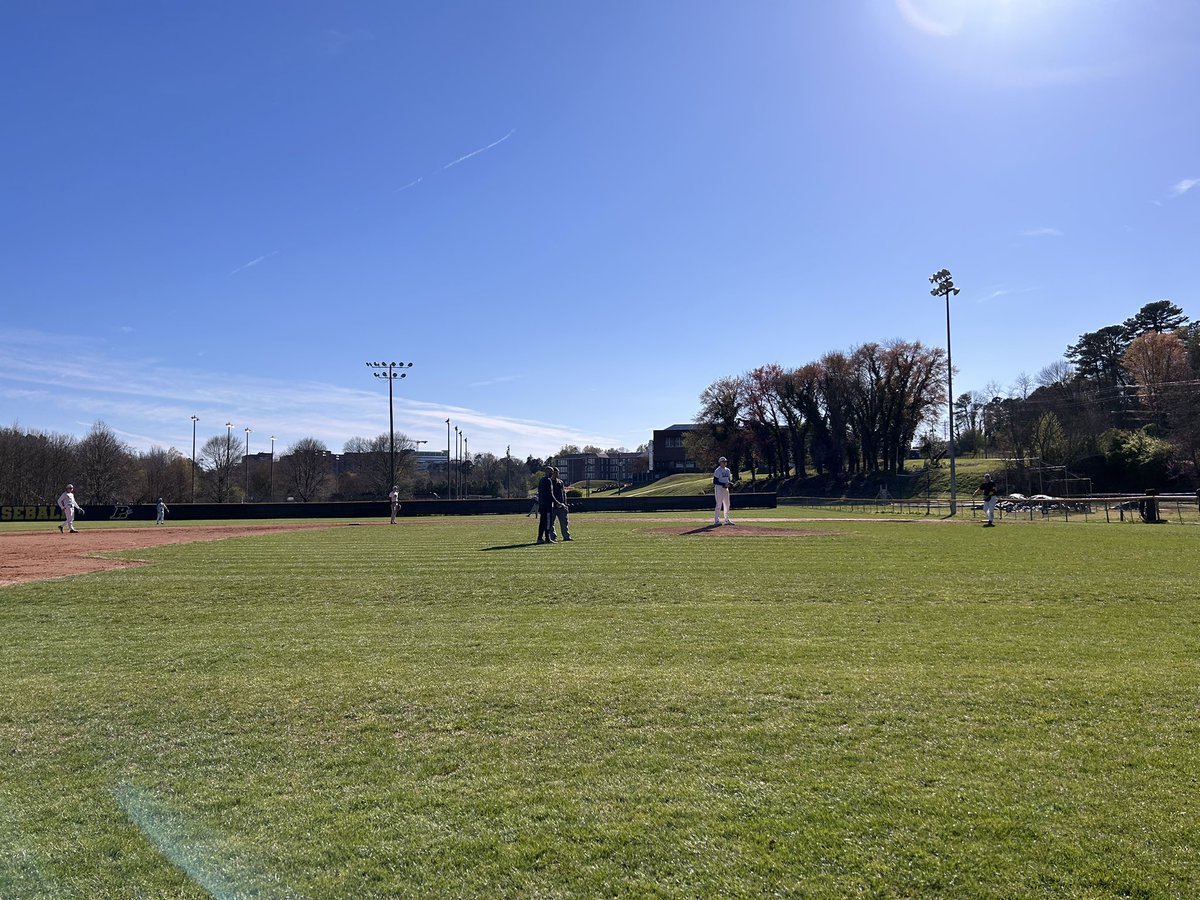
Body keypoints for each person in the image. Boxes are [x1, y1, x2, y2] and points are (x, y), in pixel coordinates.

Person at [550, 466, 572, 541]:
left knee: (564, 523)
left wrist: (565, 504)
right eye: (555, 472)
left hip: (562, 506)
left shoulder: (560, 482)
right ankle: (553, 537)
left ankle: (566, 537)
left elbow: (563, 494)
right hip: (552, 506)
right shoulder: (549, 482)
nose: (557, 474)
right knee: (551, 523)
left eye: (558, 473)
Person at [536, 465, 556, 543]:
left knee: (542, 522)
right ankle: (547, 538)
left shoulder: (541, 480)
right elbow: (550, 494)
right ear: (548, 472)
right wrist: (557, 503)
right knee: (548, 522)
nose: (552, 473)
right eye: (551, 471)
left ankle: (540, 538)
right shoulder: (548, 480)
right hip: (547, 505)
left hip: (542, 505)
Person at [713, 456, 733, 526]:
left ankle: (727, 520)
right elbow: (715, 481)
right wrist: (723, 484)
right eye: (724, 461)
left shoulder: (728, 470)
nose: (725, 463)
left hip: (725, 489)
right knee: (719, 504)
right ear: (720, 462)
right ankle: (716, 520)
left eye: (725, 461)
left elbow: (728, 480)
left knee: (727, 504)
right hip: (719, 489)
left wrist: (730, 484)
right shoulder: (717, 470)